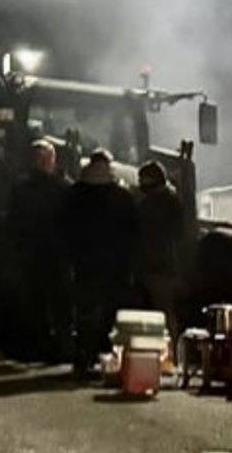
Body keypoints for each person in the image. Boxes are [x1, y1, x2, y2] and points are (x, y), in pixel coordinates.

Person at [63, 150, 136, 381]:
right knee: (109, 314)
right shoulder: (122, 197)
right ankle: (107, 359)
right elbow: (132, 233)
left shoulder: (73, 194)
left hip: (84, 263)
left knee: (85, 312)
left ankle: (82, 358)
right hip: (114, 266)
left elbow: (63, 228)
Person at [8, 139, 71, 362]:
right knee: (43, 303)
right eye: (42, 159)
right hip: (42, 254)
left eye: (48, 158)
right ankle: (48, 347)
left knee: (51, 303)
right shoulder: (60, 188)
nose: (45, 163)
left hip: (48, 254)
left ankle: (50, 346)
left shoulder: (58, 187)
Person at [133, 161, 185, 336]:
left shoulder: (148, 205)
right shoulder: (173, 201)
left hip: (155, 268)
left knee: (156, 313)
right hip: (166, 267)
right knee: (166, 312)